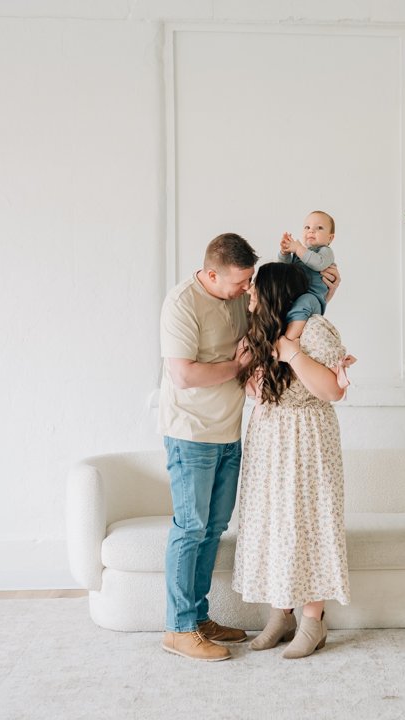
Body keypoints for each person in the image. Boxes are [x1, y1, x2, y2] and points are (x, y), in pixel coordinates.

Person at [158, 234, 340, 662]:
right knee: (191, 528)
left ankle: (199, 619)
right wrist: (240, 366)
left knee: (211, 529)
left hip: (231, 434)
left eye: (250, 284)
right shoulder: (182, 304)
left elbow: (286, 296)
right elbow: (182, 375)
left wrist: (323, 289)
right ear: (211, 272)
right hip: (192, 432)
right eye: (240, 283)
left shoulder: (245, 299)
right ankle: (179, 628)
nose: (246, 290)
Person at [232, 261, 355, 660]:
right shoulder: (261, 329)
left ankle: (312, 621)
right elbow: (255, 389)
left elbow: (332, 391)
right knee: (273, 526)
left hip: (307, 439)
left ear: (272, 293)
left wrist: (292, 353)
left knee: (309, 524)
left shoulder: (315, 329)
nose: (249, 295)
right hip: (269, 439)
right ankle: (280, 615)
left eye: (255, 290)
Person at [278, 210, 336, 340]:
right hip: (295, 297)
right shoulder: (300, 254)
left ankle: (287, 340)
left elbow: (319, 263)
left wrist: (298, 249)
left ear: (330, 238)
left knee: (304, 302)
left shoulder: (325, 252)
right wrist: (285, 253)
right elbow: (284, 270)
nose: (311, 231)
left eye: (319, 228)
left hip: (314, 299)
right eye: (307, 227)